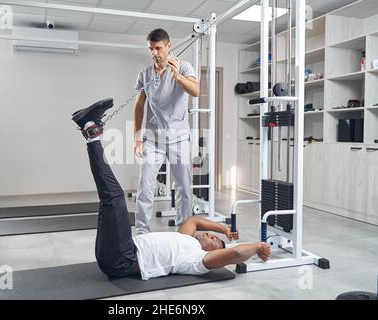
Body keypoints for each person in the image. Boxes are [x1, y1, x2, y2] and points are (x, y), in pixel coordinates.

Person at [71, 99, 271, 280]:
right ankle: (89, 127)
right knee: (109, 202)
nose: (211, 236)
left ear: (214, 252)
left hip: (124, 259)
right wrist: (224, 229)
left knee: (114, 198)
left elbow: (235, 254)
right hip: (121, 248)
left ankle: (92, 134)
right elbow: (194, 220)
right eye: (213, 236)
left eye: (215, 241)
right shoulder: (186, 237)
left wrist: (258, 246)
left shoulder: (198, 260)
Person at [134, 28, 199, 235]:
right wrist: (137, 137)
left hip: (179, 137)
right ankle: (142, 234)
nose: (154, 53)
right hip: (153, 138)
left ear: (169, 46)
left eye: (158, 48)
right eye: (151, 49)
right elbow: (139, 105)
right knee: (145, 186)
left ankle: (185, 232)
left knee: (184, 187)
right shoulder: (145, 73)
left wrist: (177, 75)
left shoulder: (185, 66)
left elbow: (196, 91)